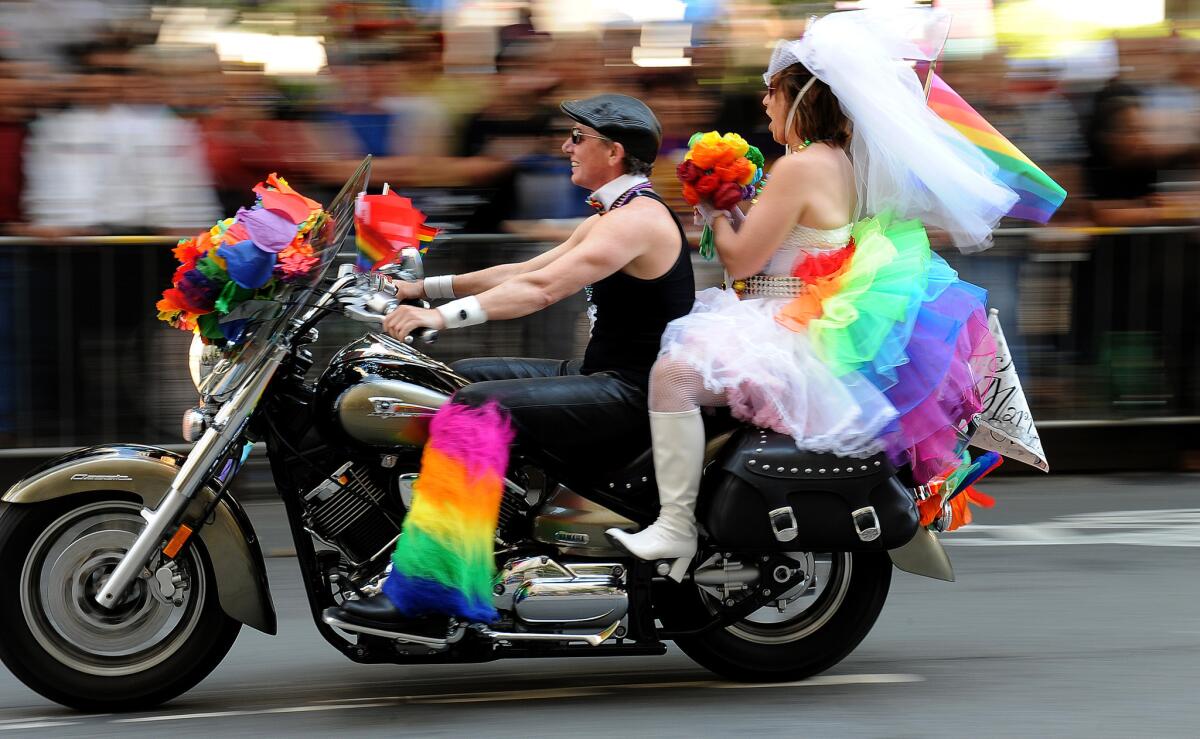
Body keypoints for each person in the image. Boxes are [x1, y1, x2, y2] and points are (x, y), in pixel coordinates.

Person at [607, 9, 1022, 576]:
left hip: (778, 320)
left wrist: (711, 206)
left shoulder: (800, 167)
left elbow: (740, 259)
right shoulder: (839, 162)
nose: (764, 103)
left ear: (801, 98)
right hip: (785, 311)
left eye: (772, 92)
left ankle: (675, 525)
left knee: (671, 376)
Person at [325, 93, 696, 633]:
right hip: (598, 372)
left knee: (475, 408)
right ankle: (482, 527)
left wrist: (442, 318)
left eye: (578, 138)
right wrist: (418, 288)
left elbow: (542, 290)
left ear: (613, 152)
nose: (565, 146)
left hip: (631, 389)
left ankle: (433, 594)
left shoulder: (637, 220)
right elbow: (522, 270)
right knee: (452, 379)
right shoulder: (613, 214)